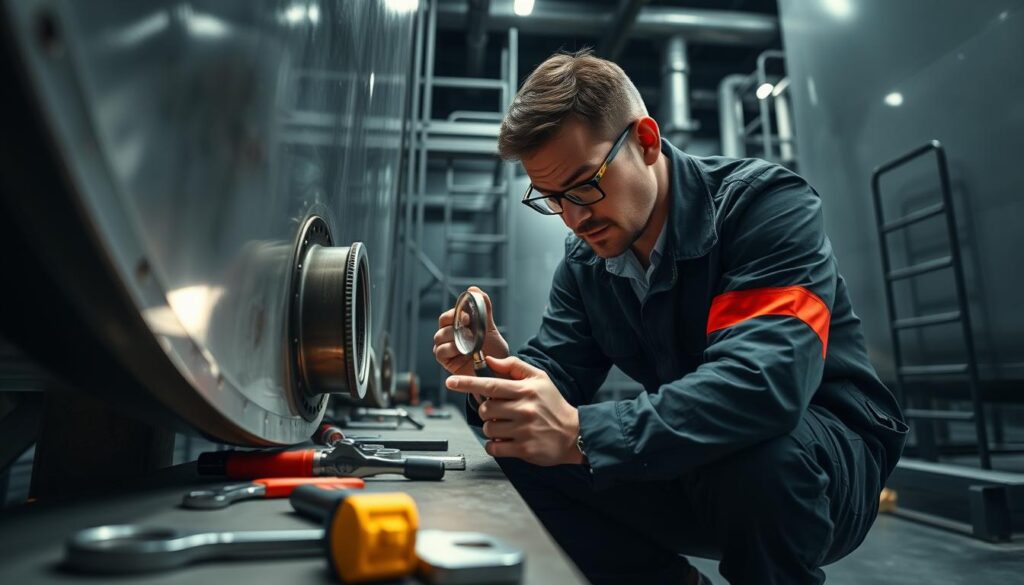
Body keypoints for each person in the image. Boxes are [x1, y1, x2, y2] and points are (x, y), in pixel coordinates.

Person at [432, 49, 907, 585]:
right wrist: (495, 377)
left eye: (585, 184)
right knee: (520, 458)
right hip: (697, 457)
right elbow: (555, 382)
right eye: (552, 199)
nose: (575, 217)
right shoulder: (589, 261)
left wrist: (582, 433)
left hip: (821, 467)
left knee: (756, 456)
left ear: (647, 141)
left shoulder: (764, 207)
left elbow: (764, 384)